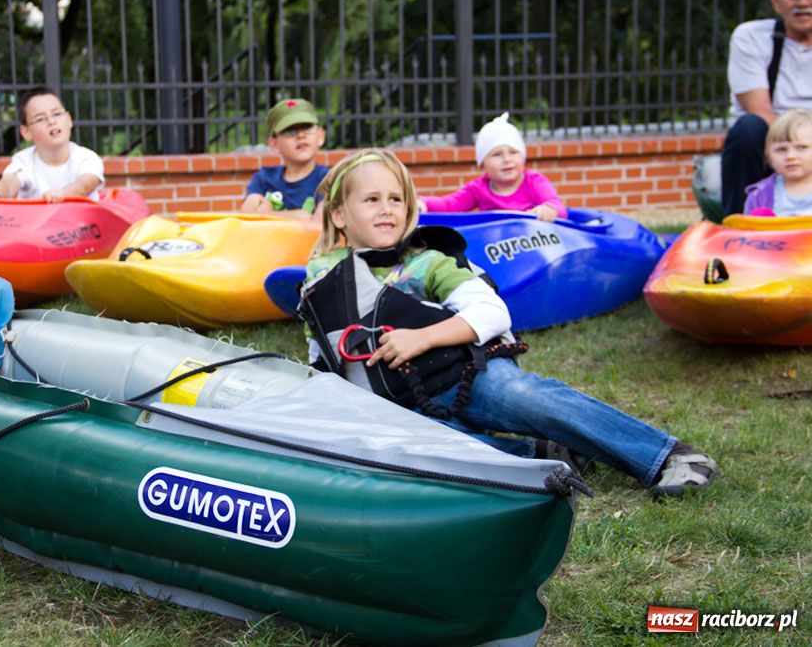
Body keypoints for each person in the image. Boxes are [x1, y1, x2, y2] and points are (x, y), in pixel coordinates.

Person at [300, 148, 718, 497]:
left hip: (466, 377)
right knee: (418, 452)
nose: (387, 210)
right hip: (407, 406)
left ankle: (668, 455)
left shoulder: (427, 262)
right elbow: (322, 357)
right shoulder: (320, 284)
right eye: (371, 200)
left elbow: (492, 312)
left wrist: (421, 338)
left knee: (527, 395)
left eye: (395, 199)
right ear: (338, 214)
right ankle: (542, 456)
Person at [721, 0, 812, 217]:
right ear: (775, 1)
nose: (803, 2)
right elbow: (759, 110)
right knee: (749, 128)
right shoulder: (751, 37)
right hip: (772, 145)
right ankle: (736, 227)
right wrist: (797, 148)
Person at [419, 112, 566, 222]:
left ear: (522, 157)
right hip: (495, 252)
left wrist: (547, 210)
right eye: (497, 154)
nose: (507, 160)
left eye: (513, 152)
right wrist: (423, 203)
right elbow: (450, 205)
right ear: (483, 163)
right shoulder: (478, 189)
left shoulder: (534, 181)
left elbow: (558, 207)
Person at [0, 86, 104, 203]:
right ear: (26, 131)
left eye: (57, 114)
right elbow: (8, 184)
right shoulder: (24, 162)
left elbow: (85, 185)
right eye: (40, 118)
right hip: (37, 228)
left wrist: (63, 194)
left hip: (80, 226)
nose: (51, 122)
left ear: (69, 120)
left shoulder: (87, 158)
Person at [240, 98, 329, 219]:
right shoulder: (263, 179)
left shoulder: (328, 179)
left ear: (320, 136)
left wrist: (268, 215)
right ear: (273, 144)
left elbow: (321, 224)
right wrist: (301, 216)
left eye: (307, 127)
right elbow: (246, 218)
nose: (301, 135)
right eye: (290, 131)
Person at [744, 109, 812, 216]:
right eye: (781, 149)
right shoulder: (759, 196)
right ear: (768, 155)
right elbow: (748, 231)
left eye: (802, 147)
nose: (791, 156)